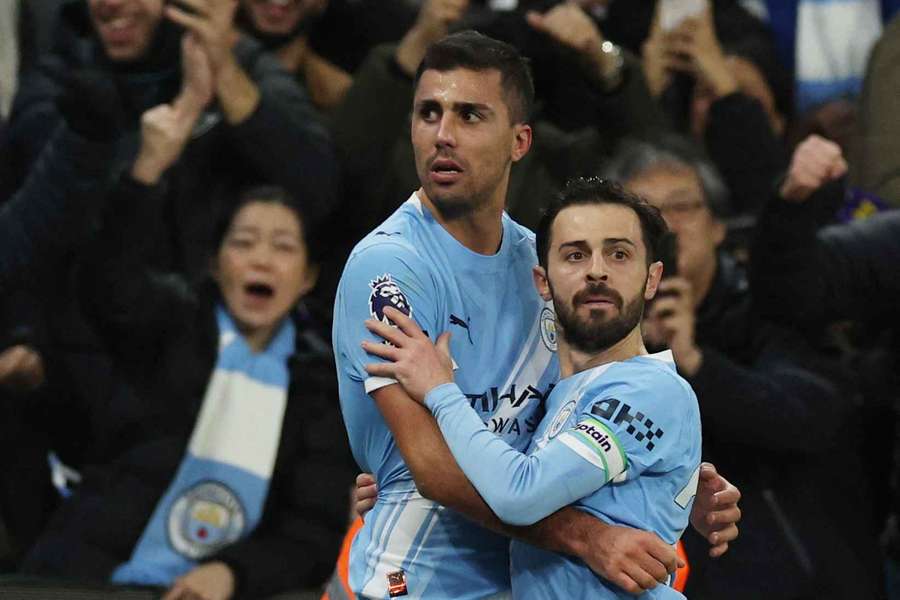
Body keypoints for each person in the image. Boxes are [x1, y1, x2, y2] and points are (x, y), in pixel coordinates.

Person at [332, 30, 739, 600]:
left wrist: (660, 479)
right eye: (429, 113)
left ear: (519, 141)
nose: (443, 135)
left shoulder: (544, 261)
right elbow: (432, 467)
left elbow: (572, 413)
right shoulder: (390, 268)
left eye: (470, 115)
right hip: (421, 580)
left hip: (526, 581)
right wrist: (588, 535)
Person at [18, 115, 352, 598]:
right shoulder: (169, 323)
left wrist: (232, 574)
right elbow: (109, 283)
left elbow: (310, 530)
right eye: (243, 242)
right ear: (215, 264)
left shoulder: (323, 389)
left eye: (283, 247)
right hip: (91, 572)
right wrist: (148, 169)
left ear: (307, 278)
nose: (261, 260)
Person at [362, 178, 701, 599]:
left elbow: (519, 495)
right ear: (542, 281)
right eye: (575, 255)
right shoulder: (563, 395)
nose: (597, 270)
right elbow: (502, 475)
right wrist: (407, 486)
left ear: (652, 279)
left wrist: (440, 390)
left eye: (619, 254)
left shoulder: (650, 390)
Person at [604, 136, 881, 598]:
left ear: (717, 226)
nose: (667, 227)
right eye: (646, 214)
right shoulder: (596, 341)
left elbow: (811, 417)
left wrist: (694, 362)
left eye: (683, 207)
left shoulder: (770, 308)